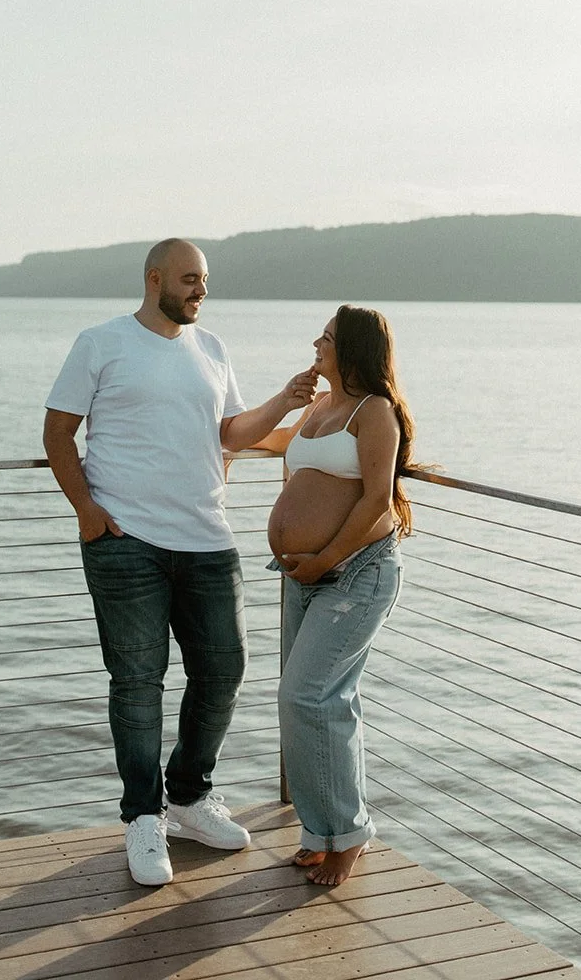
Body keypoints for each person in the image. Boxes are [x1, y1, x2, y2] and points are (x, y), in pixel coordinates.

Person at [43, 238, 317, 887]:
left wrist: (285, 401)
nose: (200, 290)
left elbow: (229, 434)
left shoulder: (212, 348)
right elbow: (58, 431)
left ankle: (189, 798)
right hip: (124, 539)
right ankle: (143, 819)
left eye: (205, 281)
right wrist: (85, 509)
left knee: (223, 670)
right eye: (190, 279)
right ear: (155, 278)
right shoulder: (100, 342)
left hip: (207, 538)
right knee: (137, 683)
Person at [226, 303, 415, 886]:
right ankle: (320, 831)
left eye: (327, 338)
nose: (317, 342)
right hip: (305, 576)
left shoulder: (374, 412)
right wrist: (282, 401)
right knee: (314, 702)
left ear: (352, 349)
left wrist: (324, 560)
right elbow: (257, 442)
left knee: (308, 697)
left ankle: (348, 836)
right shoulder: (321, 408)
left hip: (354, 572)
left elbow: (376, 500)